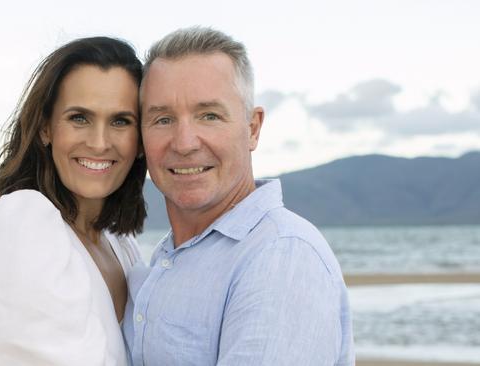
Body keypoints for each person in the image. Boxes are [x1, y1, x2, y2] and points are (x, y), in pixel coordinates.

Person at [122, 27, 355, 365]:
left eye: (209, 116)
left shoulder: (281, 255)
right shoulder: (171, 256)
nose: (184, 142)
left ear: (252, 128)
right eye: (163, 119)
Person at [0, 37, 146, 366]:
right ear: (45, 128)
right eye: (79, 118)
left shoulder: (121, 245)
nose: (99, 143)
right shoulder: (23, 222)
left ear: (141, 139)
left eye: (120, 121)